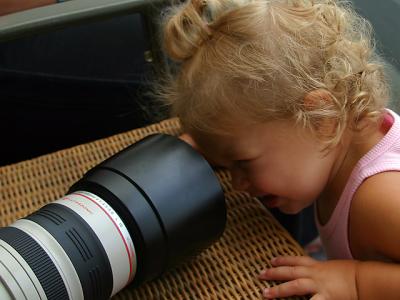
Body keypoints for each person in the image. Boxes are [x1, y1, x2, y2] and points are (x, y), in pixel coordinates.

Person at [159, 0, 400, 298]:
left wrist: (356, 281)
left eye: (243, 162)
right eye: (229, 165)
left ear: (319, 119)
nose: (237, 184)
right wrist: (212, 143)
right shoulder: (333, 140)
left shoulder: (378, 199)